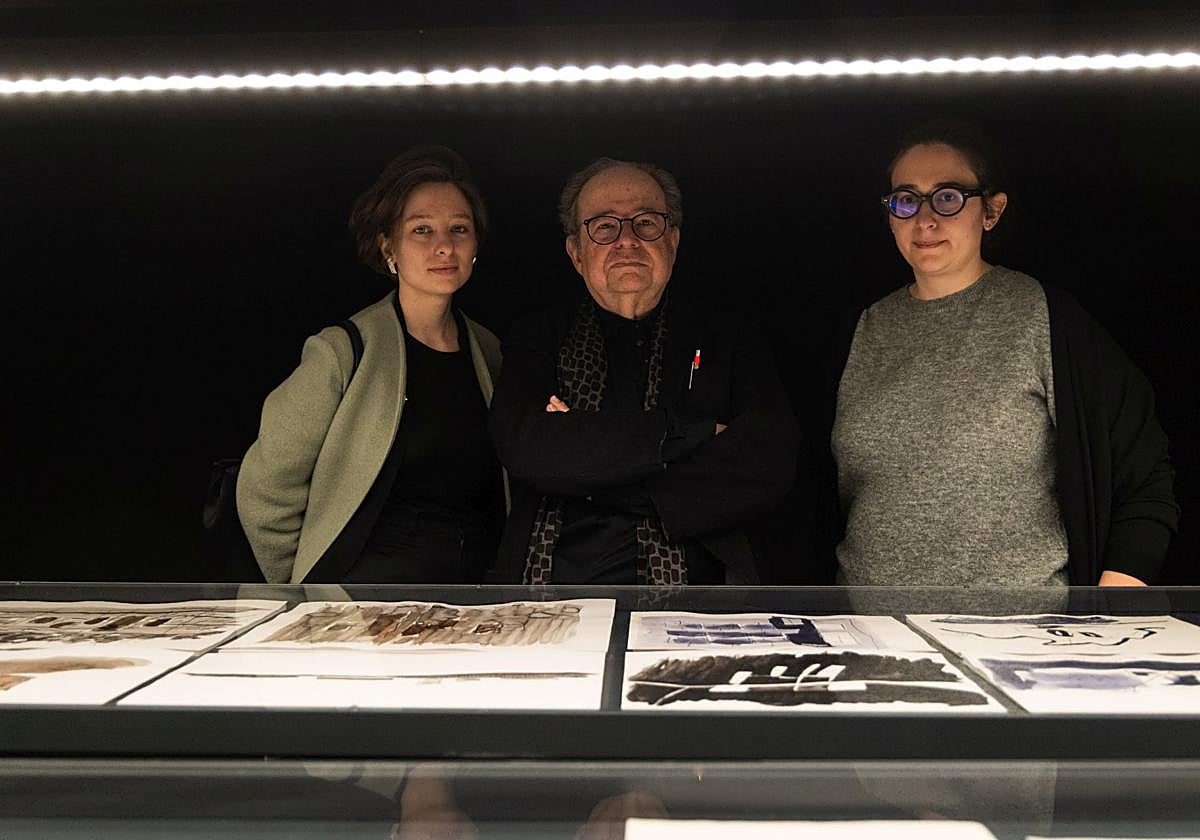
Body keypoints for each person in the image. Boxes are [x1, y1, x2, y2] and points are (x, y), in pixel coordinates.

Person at [825, 119, 1178, 587]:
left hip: (1022, 643)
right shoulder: (862, 329)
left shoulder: (1045, 317)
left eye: (948, 197)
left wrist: (1107, 612)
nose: (924, 220)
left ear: (991, 211)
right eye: (906, 200)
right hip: (870, 638)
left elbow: (1145, 475)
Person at [488, 157, 797, 585]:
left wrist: (586, 460)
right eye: (604, 227)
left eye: (646, 223)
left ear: (673, 240)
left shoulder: (731, 337)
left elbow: (767, 461)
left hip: (703, 601)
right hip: (553, 593)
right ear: (576, 252)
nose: (627, 241)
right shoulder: (538, 336)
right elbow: (525, 447)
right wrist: (692, 434)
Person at [237, 145, 505, 584]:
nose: (444, 246)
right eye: (422, 229)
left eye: (459, 228)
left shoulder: (489, 351)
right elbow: (266, 489)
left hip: (472, 606)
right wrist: (306, 590)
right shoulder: (342, 353)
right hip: (363, 612)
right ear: (388, 246)